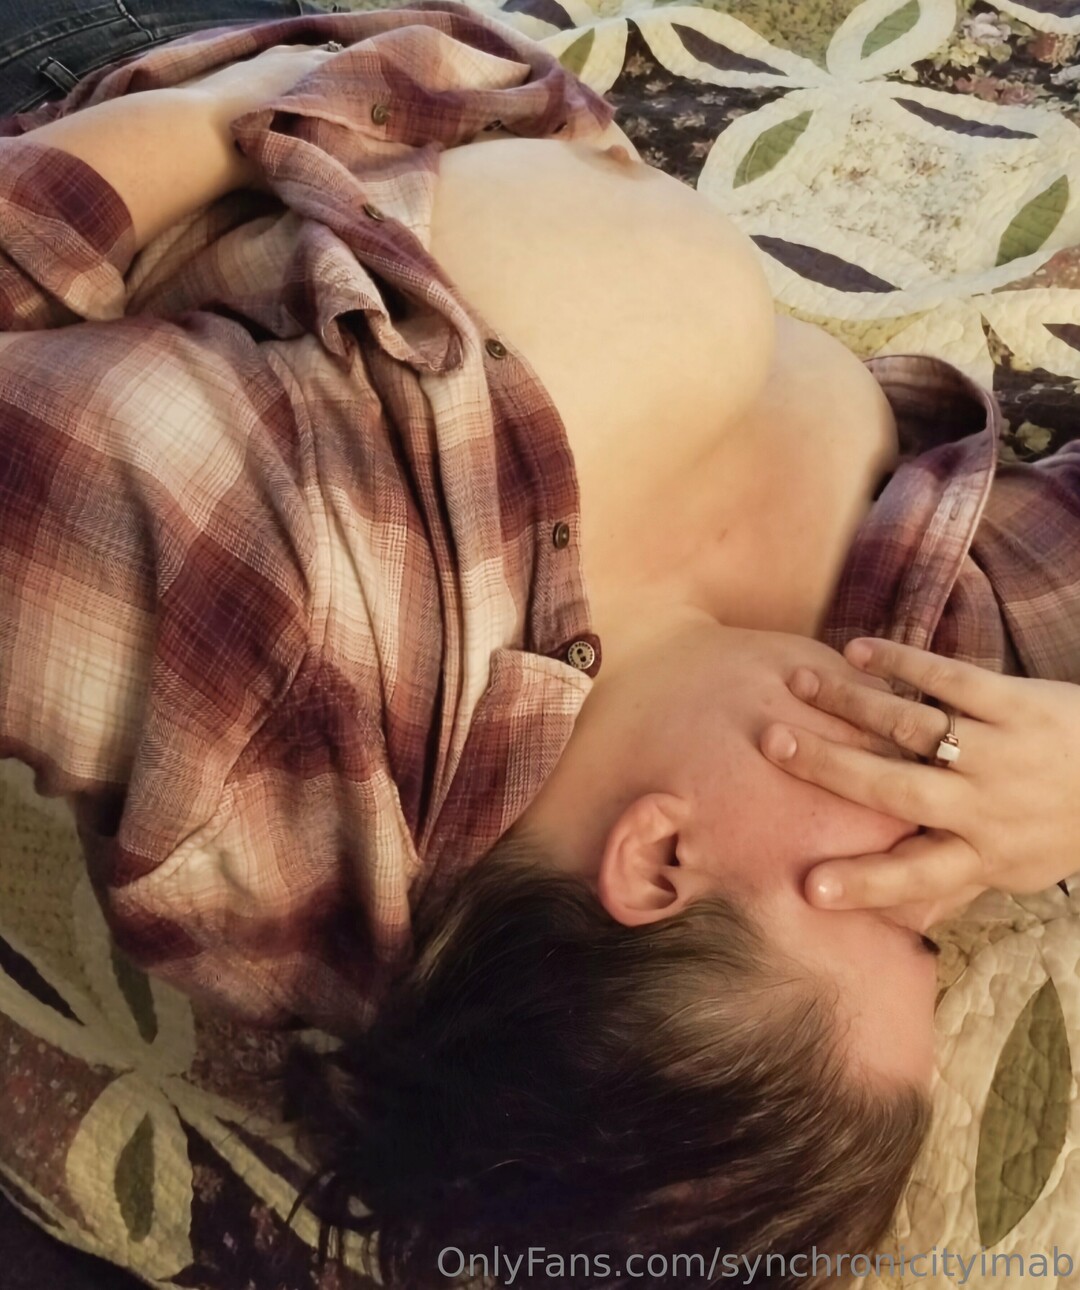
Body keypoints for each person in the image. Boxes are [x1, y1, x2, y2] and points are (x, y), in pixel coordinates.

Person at [0, 3, 1077, 1288]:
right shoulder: (894, 670)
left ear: (659, 860)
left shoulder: (273, 667)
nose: (944, 864)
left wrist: (242, 110)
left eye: (895, 919)